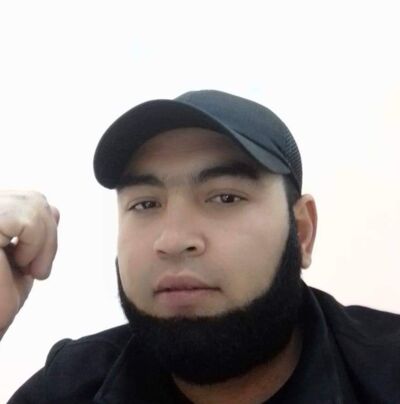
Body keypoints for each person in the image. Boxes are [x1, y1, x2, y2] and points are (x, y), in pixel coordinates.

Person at [2, 90, 399, 403]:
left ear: (302, 231)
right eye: (146, 204)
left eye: (225, 197)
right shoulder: (70, 386)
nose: (173, 241)